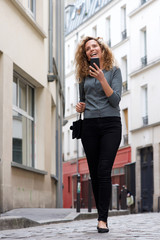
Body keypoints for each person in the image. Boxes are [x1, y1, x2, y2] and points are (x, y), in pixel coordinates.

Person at [75, 36, 122, 233]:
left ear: (101, 50)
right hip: (90, 126)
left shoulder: (114, 71)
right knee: (94, 173)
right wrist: (80, 106)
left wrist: (102, 78)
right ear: (85, 54)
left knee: (104, 170)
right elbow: (83, 100)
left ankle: (103, 219)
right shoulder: (83, 76)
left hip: (111, 124)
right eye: (87, 48)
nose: (92, 49)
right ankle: (100, 215)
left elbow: (115, 101)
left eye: (95, 46)